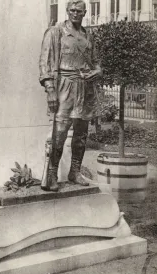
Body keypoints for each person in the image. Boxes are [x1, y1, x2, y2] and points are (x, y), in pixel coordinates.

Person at [39, 0, 102, 192]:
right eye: (72, 10)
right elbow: (45, 62)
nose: (75, 13)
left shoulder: (88, 36)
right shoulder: (56, 32)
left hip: (85, 88)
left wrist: (96, 72)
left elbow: (98, 63)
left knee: (81, 133)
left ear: (84, 13)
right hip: (64, 87)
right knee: (59, 132)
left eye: (79, 11)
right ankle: (51, 174)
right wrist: (50, 89)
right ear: (67, 11)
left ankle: (75, 171)